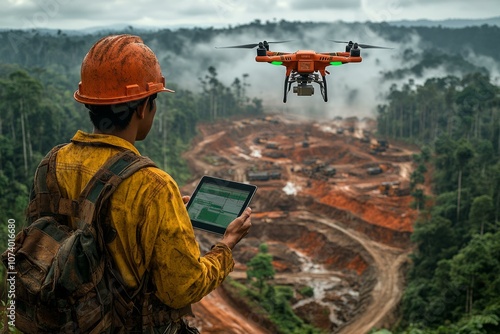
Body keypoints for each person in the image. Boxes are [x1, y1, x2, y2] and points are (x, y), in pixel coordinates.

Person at [58, 34, 252, 332]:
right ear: (142, 108)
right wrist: (226, 245)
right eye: (155, 101)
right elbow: (183, 289)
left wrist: (163, 217)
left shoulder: (54, 163)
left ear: (90, 104)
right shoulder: (154, 186)